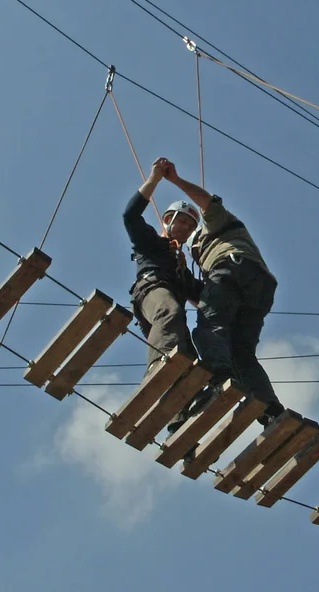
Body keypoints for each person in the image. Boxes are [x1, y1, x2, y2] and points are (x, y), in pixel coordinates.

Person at [163, 160, 284, 428]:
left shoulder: (213, 223)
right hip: (256, 289)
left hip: (235, 268)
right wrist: (182, 274)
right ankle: (271, 411)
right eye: (175, 223)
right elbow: (209, 299)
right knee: (242, 354)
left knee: (208, 329)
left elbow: (206, 201)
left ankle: (219, 377)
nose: (180, 228)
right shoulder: (200, 255)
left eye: (185, 221)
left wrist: (175, 179)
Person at [123, 157, 203, 434]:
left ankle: (181, 422)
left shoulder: (182, 269)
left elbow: (205, 297)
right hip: (151, 294)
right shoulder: (152, 243)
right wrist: (154, 179)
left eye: (190, 227)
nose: (185, 229)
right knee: (170, 310)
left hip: (170, 319)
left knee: (190, 360)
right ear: (167, 220)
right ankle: (158, 368)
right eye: (181, 222)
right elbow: (130, 216)